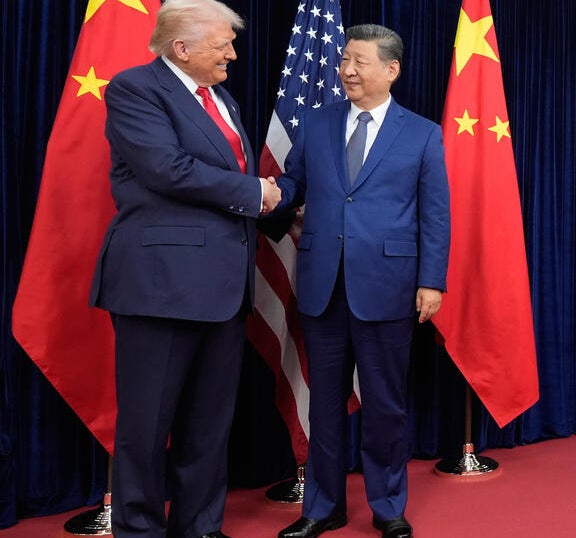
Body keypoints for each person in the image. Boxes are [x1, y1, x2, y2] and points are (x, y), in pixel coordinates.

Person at [89, 1, 279, 537]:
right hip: (161, 286)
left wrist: (276, 207)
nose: (233, 55)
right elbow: (166, 168)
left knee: (209, 425)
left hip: (225, 287)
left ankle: (200, 527)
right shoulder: (135, 89)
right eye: (223, 45)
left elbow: (226, 174)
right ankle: (140, 530)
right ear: (182, 47)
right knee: (147, 427)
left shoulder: (221, 98)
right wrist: (255, 193)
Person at [273, 24, 450, 538]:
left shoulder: (422, 133)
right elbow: (293, 183)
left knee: (385, 404)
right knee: (324, 405)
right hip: (322, 286)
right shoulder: (317, 122)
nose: (347, 70)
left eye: (360, 62)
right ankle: (322, 507)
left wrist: (432, 281)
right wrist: (263, 196)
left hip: (388, 286)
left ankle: (388, 506)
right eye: (344, 60)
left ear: (391, 70)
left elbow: (435, 214)